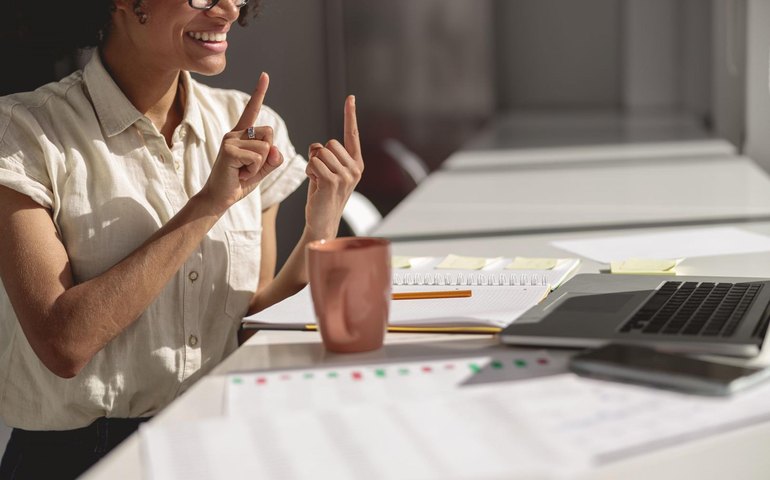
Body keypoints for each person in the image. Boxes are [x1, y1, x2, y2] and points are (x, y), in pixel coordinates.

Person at [0, 0, 363, 477]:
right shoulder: (22, 132)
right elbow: (63, 345)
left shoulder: (248, 123)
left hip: (223, 442)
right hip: (81, 460)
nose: (228, 10)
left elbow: (250, 328)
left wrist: (321, 229)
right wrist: (208, 204)